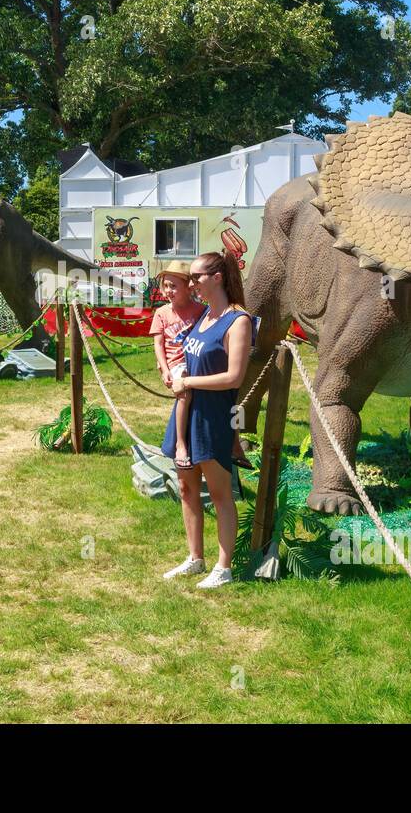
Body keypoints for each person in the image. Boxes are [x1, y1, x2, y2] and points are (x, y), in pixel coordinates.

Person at [160, 250, 257, 589]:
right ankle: (194, 558)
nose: (192, 283)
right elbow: (189, 354)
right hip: (186, 412)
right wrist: (176, 373)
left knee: (219, 493)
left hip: (215, 416)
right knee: (187, 488)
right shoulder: (204, 317)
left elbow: (234, 377)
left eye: (197, 277)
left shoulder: (238, 320)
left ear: (217, 278)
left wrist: (189, 382)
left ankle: (224, 567)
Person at [150, 260, 205, 469]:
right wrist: (164, 369)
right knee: (184, 393)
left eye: (173, 286)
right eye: (165, 286)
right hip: (176, 363)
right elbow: (158, 343)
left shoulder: (201, 310)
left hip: (196, 359)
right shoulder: (162, 313)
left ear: (187, 287)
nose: (168, 291)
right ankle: (180, 444)